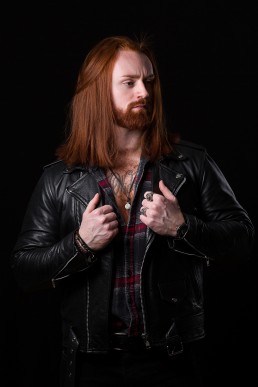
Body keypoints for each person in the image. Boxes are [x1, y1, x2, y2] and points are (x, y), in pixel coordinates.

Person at [11, 35, 255, 387]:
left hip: (172, 360)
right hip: (91, 366)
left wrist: (183, 228)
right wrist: (79, 244)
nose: (145, 92)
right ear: (98, 93)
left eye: (149, 81)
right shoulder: (58, 179)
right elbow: (24, 270)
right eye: (130, 83)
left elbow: (243, 239)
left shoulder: (191, 163)